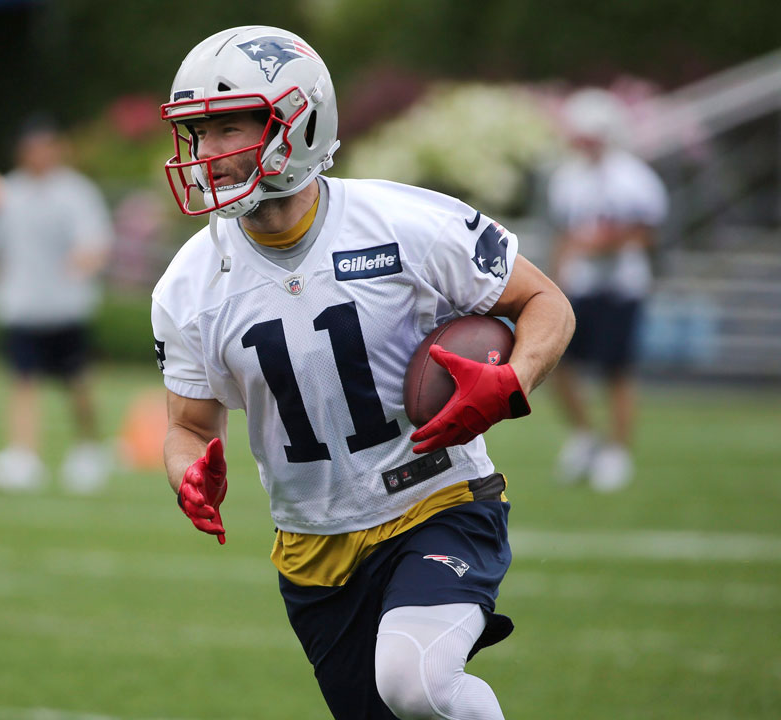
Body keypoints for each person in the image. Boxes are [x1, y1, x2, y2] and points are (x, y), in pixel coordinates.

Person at [151, 27, 575, 720]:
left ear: (299, 122)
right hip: (312, 547)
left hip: (438, 501)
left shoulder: (404, 223)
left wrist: (512, 378)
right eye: (197, 135)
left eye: (228, 129)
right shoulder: (187, 286)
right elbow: (188, 427)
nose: (206, 157)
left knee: (416, 683)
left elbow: (545, 302)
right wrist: (188, 474)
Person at [0, 116, 114, 494]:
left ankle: (89, 449)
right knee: (23, 381)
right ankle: (24, 456)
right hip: (21, 304)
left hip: (66, 306)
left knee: (77, 381)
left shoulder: (76, 193)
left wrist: (87, 259)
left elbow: (95, 242)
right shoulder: (6, 193)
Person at [547, 88, 667, 493]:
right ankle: (585, 435)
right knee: (555, 361)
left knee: (617, 370)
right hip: (581, 284)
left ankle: (617, 451)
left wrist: (600, 244)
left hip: (620, 286)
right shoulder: (567, 176)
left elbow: (646, 231)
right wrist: (554, 280)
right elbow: (565, 234)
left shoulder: (632, 176)